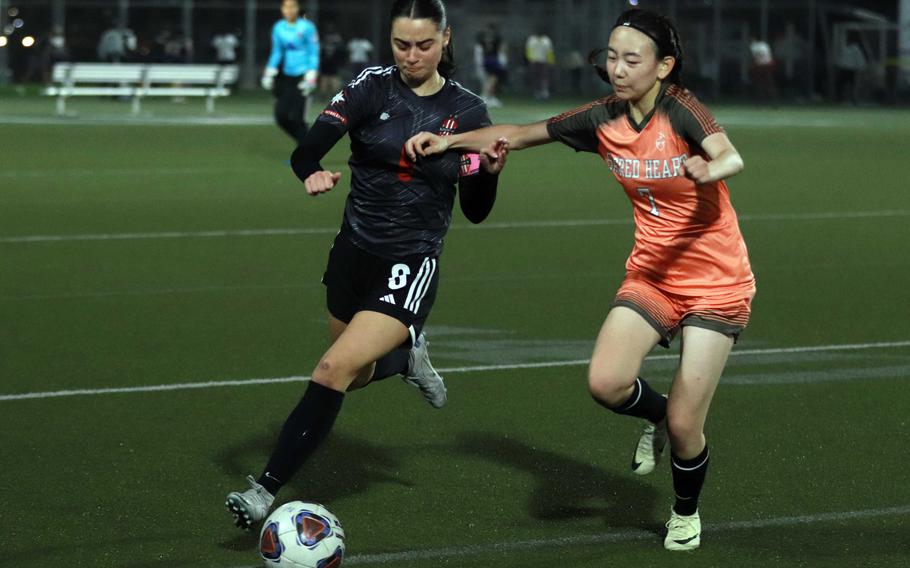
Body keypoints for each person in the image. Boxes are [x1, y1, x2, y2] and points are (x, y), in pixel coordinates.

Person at [406, 8, 755, 552]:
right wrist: (448, 142)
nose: (617, 68)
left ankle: (685, 511)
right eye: (611, 56)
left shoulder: (682, 111)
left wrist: (711, 169)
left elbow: (728, 154)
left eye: (631, 59)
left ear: (664, 65)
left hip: (718, 283)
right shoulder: (604, 118)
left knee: (692, 427)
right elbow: (521, 134)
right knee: (606, 384)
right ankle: (660, 416)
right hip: (653, 274)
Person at [225, 0, 507, 531]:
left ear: (446, 40)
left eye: (424, 45)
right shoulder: (369, 87)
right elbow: (307, 149)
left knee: (331, 369)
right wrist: (310, 171)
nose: (411, 56)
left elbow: (476, 210)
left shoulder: (467, 113)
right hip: (353, 252)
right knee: (351, 377)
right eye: (401, 44)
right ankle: (408, 360)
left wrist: (487, 171)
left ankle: (264, 491)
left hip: (410, 259)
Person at [261, 0, 320, 145]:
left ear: (297, 8)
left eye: (292, 6)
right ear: (282, 9)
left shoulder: (307, 27)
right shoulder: (279, 28)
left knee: (298, 118)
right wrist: (269, 71)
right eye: (286, 7)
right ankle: (308, 144)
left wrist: (311, 76)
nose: (289, 10)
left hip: (303, 76)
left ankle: (304, 153)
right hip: (287, 77)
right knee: (281, 116)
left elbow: (314, 52)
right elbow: (277, 52)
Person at [525, 28, 555, 100]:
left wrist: (551, 61)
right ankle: (537, 92)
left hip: (544, 61)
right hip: (534, 61)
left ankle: (544, 92)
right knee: (535, 77)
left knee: (544, 77)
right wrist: (530, 59)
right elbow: (528, 50)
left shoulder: (546, 40)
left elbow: (550, 51)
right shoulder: (531, 39)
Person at [318, 23, 345, 96]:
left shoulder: (337, 39)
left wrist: (340, 62)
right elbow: (321, 52)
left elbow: (341, 51)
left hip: (334, 66)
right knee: (324, 86)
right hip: (325, 66)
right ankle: (323, 99)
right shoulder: (323, 39)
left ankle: (335, 100)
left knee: (335, 87)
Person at [749, 36, 778, 104]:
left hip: (762, 66)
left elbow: (757, 58)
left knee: (761, 84)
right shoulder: (764, 45)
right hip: (768, 64)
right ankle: (774, 101)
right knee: (769, 84)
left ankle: (761, 101)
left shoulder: (754, 46)